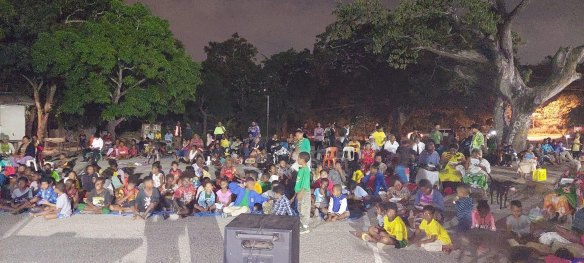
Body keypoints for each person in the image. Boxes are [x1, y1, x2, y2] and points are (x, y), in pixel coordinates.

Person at [293, 152, 311, 233]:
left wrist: (301, 193)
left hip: (304, 192)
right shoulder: (301, 169)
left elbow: (305, 183)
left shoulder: (306, 170)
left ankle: (305, 227)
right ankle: (302, 224)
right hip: (300, 192)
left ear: (303, 160)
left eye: (299, 158)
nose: (298, 160)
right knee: (300, 208)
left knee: (304, 208)